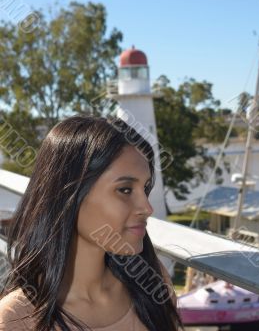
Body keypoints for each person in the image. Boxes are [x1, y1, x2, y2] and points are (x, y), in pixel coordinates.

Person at [0, 115, 184, 330]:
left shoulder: (151, 282)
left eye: (145, 188)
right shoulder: (16, 320)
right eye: (125, 190)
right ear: (69, 195)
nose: (147, 208)